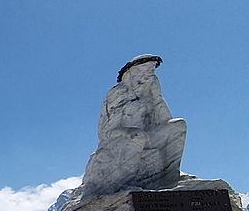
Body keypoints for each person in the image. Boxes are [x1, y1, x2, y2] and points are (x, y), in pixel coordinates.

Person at [80, 54, 187, 198]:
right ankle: (126, 185)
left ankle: (170, 178)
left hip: (147, 137)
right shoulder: (119, 93)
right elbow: (105, 132)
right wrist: (128, 131)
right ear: (135, 72)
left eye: (152, 72)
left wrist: (157, 98)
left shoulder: (150, 92)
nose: (150, 75)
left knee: (179, 125)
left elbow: (166, 121)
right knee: (136, 139)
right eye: (147, 71)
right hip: (121, 141)